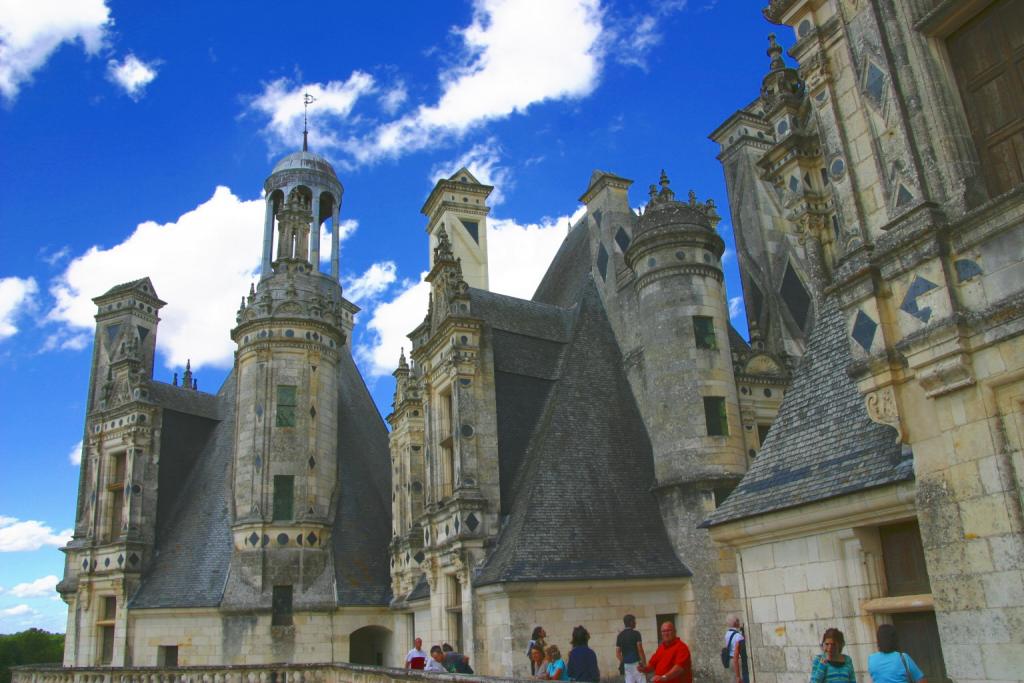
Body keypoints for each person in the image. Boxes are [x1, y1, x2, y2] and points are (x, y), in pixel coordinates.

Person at [616, 613, 646, 683]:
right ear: (631, 622)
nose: (635, 623)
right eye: (634, 621)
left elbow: (617, 653)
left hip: (627, 666)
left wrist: (625, 661)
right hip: (637, 664)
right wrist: (644, 663)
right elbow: (640, 650)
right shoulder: (636, 634)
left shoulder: (620, 636)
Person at [724, 615, 749, 683]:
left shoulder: (727, 634)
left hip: (730, 660)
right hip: (737, 661)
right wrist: (738, 676)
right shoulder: (738, 636)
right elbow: (737, 653)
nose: (739, 622)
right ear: (735, 623)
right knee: (740, 680)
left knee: (733, 680)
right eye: (738, 620)